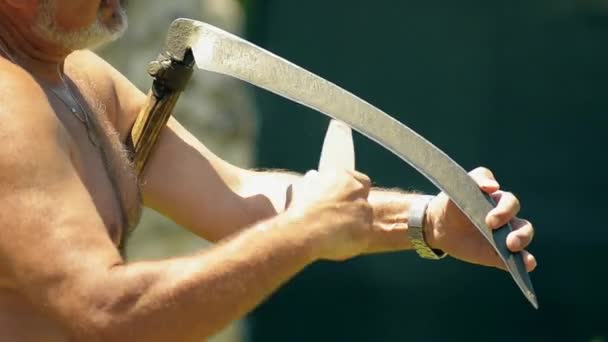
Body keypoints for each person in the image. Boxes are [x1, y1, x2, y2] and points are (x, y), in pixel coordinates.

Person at [0, 1, 536, 341]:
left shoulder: (78, 78)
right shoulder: (7, 109)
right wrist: (303, 234)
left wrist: (428, 220)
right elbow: (107, 315)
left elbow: (235, 196)